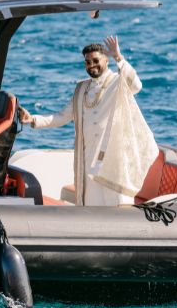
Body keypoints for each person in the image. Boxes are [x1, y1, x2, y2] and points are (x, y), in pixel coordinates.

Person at [18, 36, 158, 206]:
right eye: (87, 62)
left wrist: (118, 57)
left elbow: (136, 85)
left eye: (96, 60)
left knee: (116, 206)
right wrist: (32, 119)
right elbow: (62, 116)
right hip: (87, 159)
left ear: (106, 59)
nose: (92, 65)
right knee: (91, 207)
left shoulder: (117, 82)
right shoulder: (81, 88)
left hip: (112, 159)